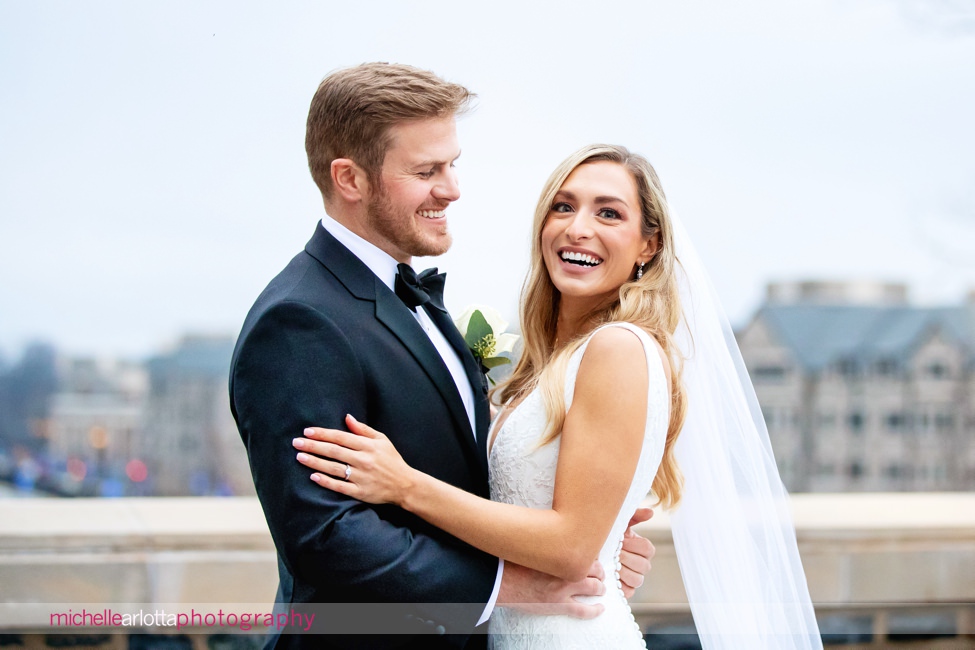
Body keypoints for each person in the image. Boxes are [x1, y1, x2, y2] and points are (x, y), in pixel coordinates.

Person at [294, 144, 824, 649]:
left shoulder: (618, 348)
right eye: (563, 206)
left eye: (609, 214)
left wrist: (406, 486)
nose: (578, 228)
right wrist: (612, 546)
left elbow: (571, 547)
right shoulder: (553, 362)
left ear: (650, 244)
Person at [228, 64, 654, 650]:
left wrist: (594, 531)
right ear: (349, 179)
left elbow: (470, 471)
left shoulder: (414, 300)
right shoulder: (301, 320)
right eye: (426, 171)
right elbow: (324, 534)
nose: (451, 189)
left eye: (451, 165)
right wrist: (508, 586)